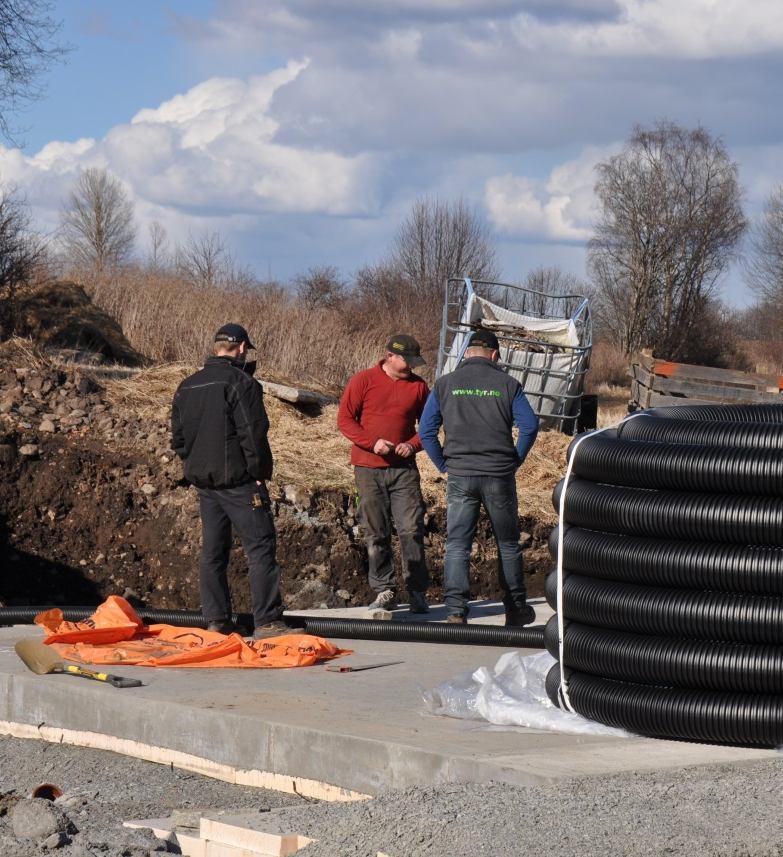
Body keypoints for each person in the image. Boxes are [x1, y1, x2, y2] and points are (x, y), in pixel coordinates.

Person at [171, 323, 286, 639]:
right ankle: (268, 621)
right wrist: (260, 474)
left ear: (216, 346)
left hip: (206, 485)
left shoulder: (187, 385)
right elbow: (253, 434)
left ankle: (217, 620)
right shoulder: (241, 383)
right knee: (260, 547)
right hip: (240, 483)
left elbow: (178, 439)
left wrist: (195, 463)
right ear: (242, 348)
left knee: (213, 552)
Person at [419, 328, 539, 626]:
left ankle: (456, 611)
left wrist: (443, 466)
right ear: (495, 355)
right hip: (499, 474)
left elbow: (425, 431)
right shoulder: (508, 384)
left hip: (460, 474)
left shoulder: (445, 384)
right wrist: (515, 460)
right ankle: (515, 609)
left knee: (457, 543)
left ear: (467, 352)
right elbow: (530, 426)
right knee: (508, 544)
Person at [337, 334, 431, 613]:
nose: (411, 366)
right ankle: (385, 589)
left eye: (414, 361)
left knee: (411, 529)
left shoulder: (419, 387)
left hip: (404, 471)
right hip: (368, 469)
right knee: (376, 531)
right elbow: (345, 420)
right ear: (390, 356)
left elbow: (428, 427)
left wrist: (412, 445)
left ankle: (417, 591)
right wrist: (372, 442)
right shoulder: (363, 381)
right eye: (407, 360)